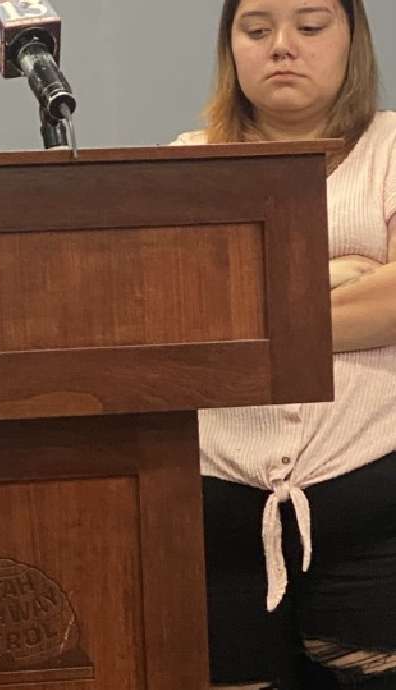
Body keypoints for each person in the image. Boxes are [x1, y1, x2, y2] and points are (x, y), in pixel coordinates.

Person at [173, 1, 396, 688]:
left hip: (371, 519)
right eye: (257, 28)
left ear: (351, 39)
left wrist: (249, 310)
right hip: (218, 523)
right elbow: (177, 323)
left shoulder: (391, 149)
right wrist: (344, 276)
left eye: (310, 24)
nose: (282, 47)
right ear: (231, 46)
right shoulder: (187, 163)